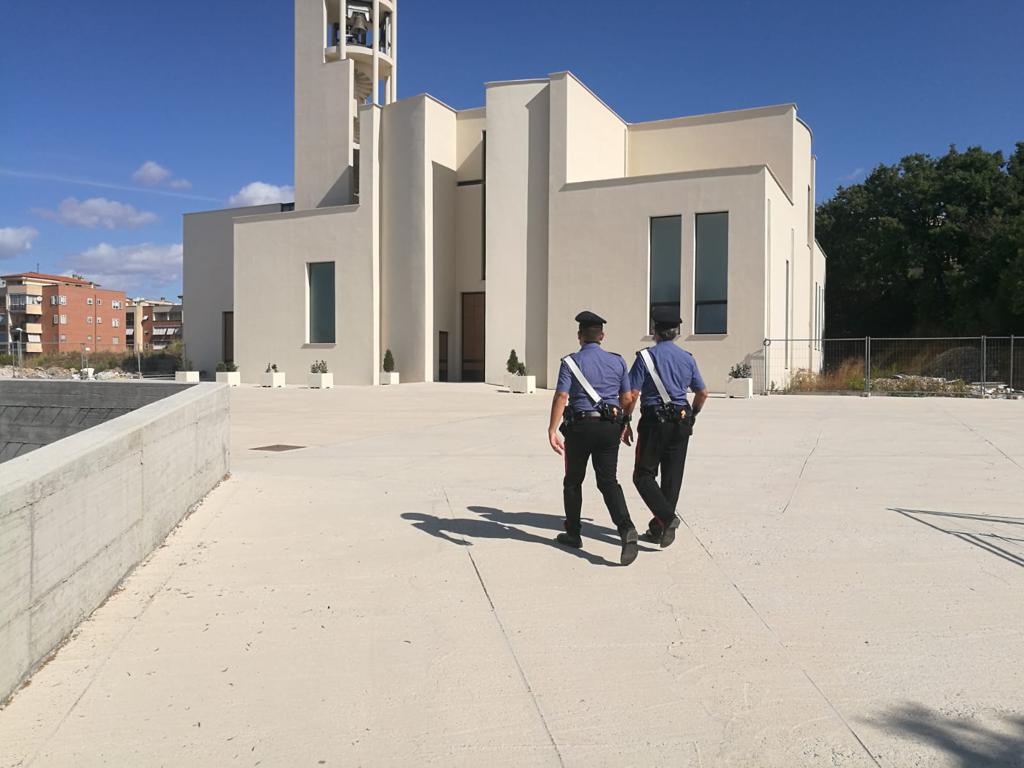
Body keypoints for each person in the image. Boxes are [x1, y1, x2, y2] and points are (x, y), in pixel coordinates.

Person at [547, 311, 639, 566]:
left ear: (579, 336)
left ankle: (573, 533)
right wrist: (624, 423)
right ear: (602, 336)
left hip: (580, 428)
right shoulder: (618, 361)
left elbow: (561, 396)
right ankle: (626, 529)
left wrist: (552, 429)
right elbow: (628, 398)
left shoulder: (570, 362)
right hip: (610, 427)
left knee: (573, 481)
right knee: (608, 481)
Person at [623, 307, 709, 547]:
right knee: (672, 478)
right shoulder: (687, 358)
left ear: (655, 330)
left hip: (654, 422)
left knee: (643, 475)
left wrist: (625, 420)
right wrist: (693, 415)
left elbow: (631, 394)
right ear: (677, 332)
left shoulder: (645, 358)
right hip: (681, 421)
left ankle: (667, 519)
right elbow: (702, 392)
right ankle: (659, 528)